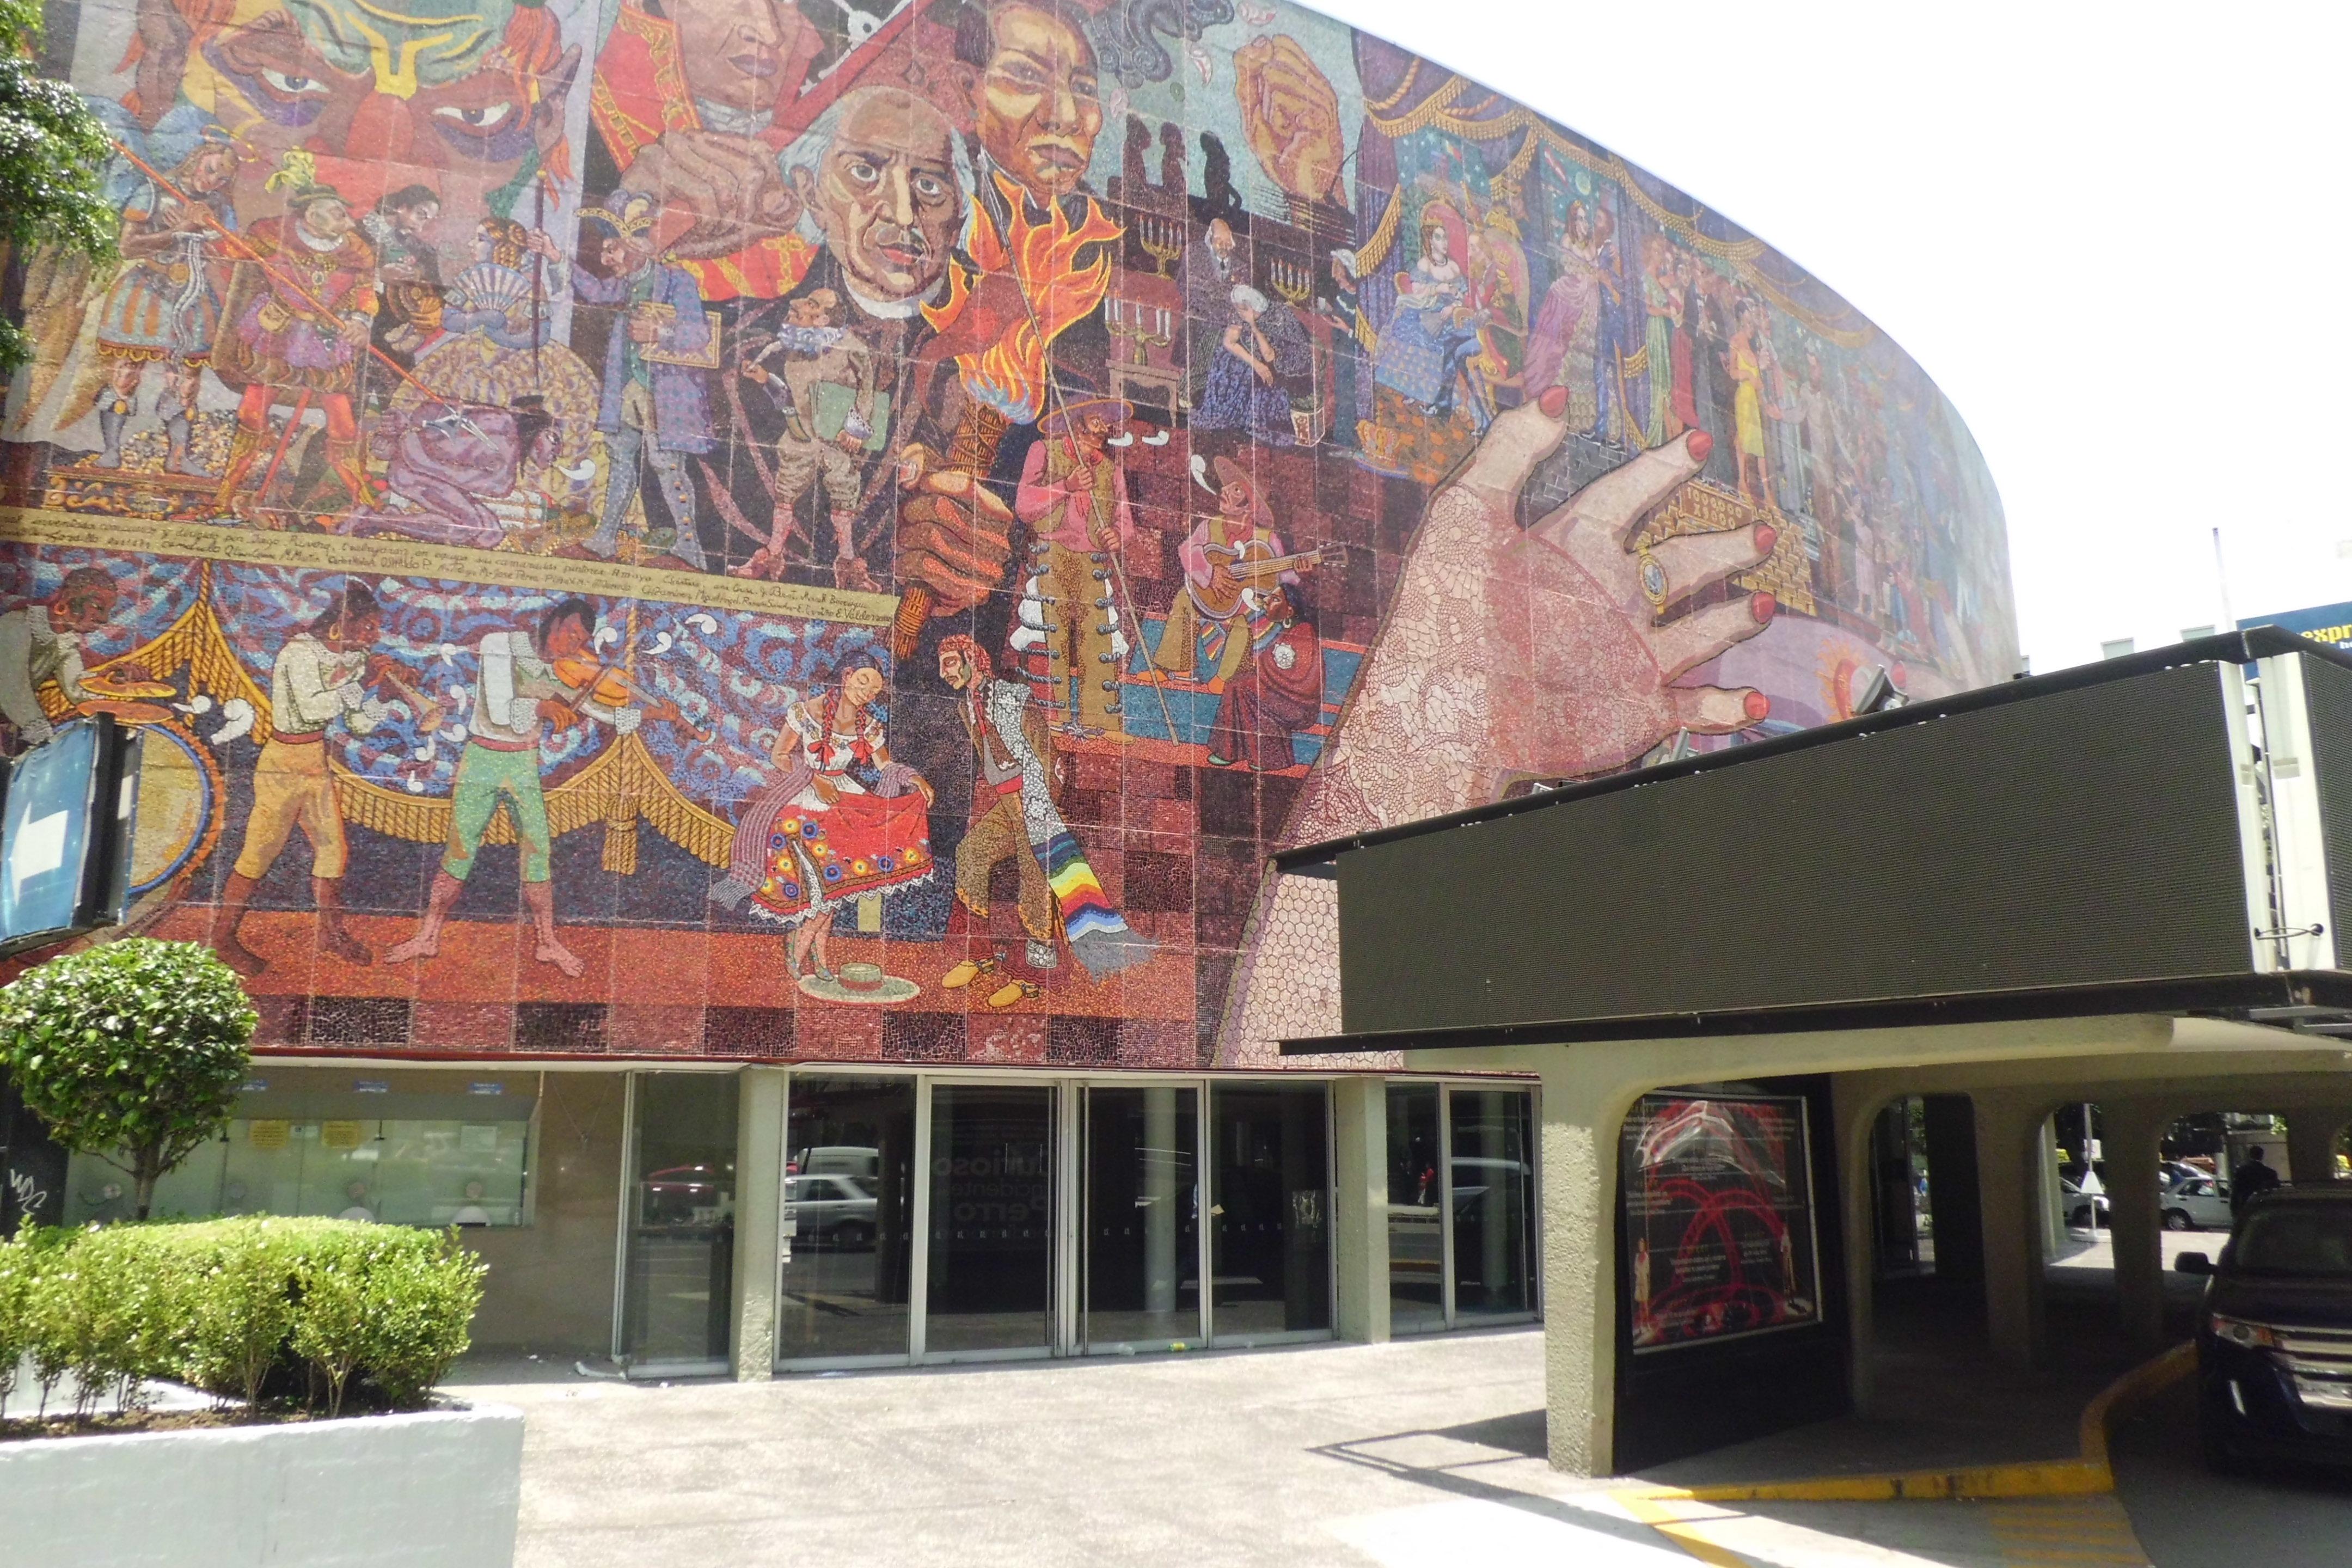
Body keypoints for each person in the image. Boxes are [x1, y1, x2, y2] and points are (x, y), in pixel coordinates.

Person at [384, 598, 680, 979]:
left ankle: (547, 942)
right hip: (482, 759)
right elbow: (499, 708)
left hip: (523, 762)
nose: (573, 644)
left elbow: (604, 713)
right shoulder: (500, 644)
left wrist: (653, 713)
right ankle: (428, 935)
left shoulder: (565, 671)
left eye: (582, 639)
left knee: (538, 853)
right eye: (569, 632)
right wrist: (542, 708)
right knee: (459, 851)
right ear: (551, 623)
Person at [938, 635, 1150, 982]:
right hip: (1007, 803)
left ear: (972, 659)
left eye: (949, 662)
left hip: (1033, 797)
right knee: (971, 853)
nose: (943, 672)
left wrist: (1042, 804)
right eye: (942, 664)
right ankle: (977, 955)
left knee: (1034, 873)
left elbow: (1049, 758)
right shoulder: (966, 706)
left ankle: (1032, 974)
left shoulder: (1014, 697)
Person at [216, 583, 399, 977]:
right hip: (283, 762)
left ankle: (332, 934)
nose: (374, 637)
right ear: (343, 621)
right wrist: (361, 682)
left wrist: (384, 696)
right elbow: (313, 707)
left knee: (334, 851)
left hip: (315, 761)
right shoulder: (298, 653)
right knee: (259, 853)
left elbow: (358, 724)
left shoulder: (353, 660)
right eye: (368, 627)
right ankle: (220, 940)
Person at [723, 663, 934, 985]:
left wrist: (913, 778)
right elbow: (779, 755)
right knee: (821, 893)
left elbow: (885, 763)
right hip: (801, 804)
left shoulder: (869, 725)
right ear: (847, 676)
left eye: (875, 690)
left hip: (843, 803)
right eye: (863, 682)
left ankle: (816, 956)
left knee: (833, 891)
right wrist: (813, 777)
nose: (867, 693)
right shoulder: (807, 712)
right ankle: (800, 949)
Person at [209, 154, 381, 516]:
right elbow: (230, 252)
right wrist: (204, 224)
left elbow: (364, 292)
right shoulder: (273, 233)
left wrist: (360, 322)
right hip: (276, 333)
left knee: (343, 423)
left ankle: (363, 499)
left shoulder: (356, 249)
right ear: (311, 213)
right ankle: (226, 493)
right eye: (337, 212)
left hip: (325, 341)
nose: (347, 220)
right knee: (253, 416)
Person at [573, 192, 715, 571]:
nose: (606, 259)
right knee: (621, 459)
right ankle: (606, 536)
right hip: (629, 386)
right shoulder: (626, 284)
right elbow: (595, 292)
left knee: (667, 465)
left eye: (612, 250)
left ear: (636, 248)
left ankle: (689, 546)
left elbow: (699, 335)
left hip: (665, 391)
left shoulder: (676, 281)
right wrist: (556, 258)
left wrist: (661, 332)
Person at [88, 131, 239, 474]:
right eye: (211, 169)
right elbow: (127, 248)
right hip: (147, 289)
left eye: (222, 178)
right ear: (198, 158)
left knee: (186, 382)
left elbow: (229, 254)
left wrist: (208, 232)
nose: (212, 180)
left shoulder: (218, 207)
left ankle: (179, 457)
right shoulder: (153, 191)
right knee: (125, 373)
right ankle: (111, 450)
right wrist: (178, 230)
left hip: (194, 295)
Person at [732, 289, 881, 587]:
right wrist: (766, 380)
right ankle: (773, 554)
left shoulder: (853, 348)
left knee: (843, 497)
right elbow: (788, 398)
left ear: (824, 317)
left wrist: (856, 428)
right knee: (786, 495)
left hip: (837, 439)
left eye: (812, 306)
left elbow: (867, 392)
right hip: (801, 437)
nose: (800, 309)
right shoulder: (795, 350)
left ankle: (848, 562)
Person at [1012, 393, 1138, 737]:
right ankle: (1053, 717)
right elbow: (1024, 503)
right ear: (1079, 421)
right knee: (1052, 632)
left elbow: (1125, 521)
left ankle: (1100, 720)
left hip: (1092, 561)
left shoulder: (1111, 470)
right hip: (1052, 556)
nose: (1105, 427)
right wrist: (1065, 487)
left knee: (1097, 639)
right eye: (1099, 419)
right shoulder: (1044, 451)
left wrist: (1117, 535)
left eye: (1108, 422)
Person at [1150, 457, 1313, 689]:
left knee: (1244, 622)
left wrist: (1301, 572)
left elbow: (1285, 578)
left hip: (1246, 609)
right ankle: (1176, 667)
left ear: (1249, 506)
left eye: (1236, 490)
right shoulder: (1209, 526)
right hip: (1214, 601)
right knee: (1184, 599)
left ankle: (1224, 680)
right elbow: (1187, 550)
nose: (1224, 491)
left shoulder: (1268, 540)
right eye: (1227, 487)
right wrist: (1210, 573)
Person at [0, 568, 124, 753]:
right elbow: (11, 688)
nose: (104, 619)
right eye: (98, 607)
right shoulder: (16, 624)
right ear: (68, 598)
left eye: (107, 611)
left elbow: (76, 686)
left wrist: (108, 680)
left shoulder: (63, 640)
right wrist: (43, 735)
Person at [1204, 585, 1321, 772]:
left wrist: (1262, 669)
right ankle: (1231, 752)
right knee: (1237, 685)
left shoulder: (1303, 632)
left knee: (1242, 688)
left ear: (1289, 610)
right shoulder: (1290, 630)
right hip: (1282, 692)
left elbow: (1299, 677)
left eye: (1275, 599)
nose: (1266, 601)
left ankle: (1265, 758)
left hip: (1297, 704)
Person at [1195, 284, 1310, 445]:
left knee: (1256, 381)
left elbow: (1269, 356)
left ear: (1252, 308)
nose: (1238, 311)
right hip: (1252, 361)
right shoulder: (1239, 314)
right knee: (1227, 364)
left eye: (1242, 309)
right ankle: (1225, 417)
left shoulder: (1276, 317)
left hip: (1280, 364)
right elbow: (1229, 342)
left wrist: (1253, 325)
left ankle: (1245, 423)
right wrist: (1256, 365)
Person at [2231, 1145, 2282, 1217]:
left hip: (2247, 1206)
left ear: (2250, 1155)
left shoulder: (2241, 1171)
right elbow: (2276, 1189)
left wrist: (2235, 1209)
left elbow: (2236, 1191)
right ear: (2262, 1156)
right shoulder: (2270, 1173)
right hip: (2264, 1207)